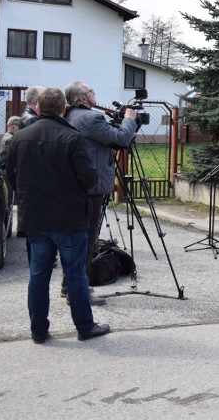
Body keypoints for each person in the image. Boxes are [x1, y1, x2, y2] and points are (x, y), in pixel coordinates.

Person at [6, 87, 110, 343]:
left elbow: (11, 176)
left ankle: (38, 331)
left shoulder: (19, 137)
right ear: (63, 108)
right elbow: (88, 179)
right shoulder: (72, 138)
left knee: (38, 276)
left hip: (35, 219)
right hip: (69, 219)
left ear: (39, 107)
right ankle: (85, 327)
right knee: (75, 274)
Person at [64, 81, 137, 305]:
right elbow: (121, 139)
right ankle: (79, 290)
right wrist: (129, 119)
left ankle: (69, 285)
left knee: (79, 238)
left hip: (76, 185)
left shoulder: (70, 116)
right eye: (91, 91)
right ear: (83, 98)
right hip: (93, 186)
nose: (94, 93)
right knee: (88, 239)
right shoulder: (90, 118)